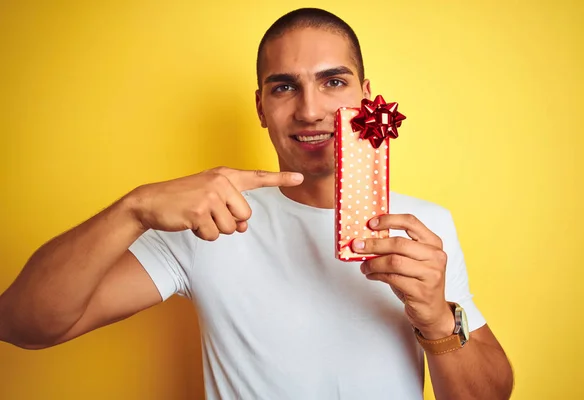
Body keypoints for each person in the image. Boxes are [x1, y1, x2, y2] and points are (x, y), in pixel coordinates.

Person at [0, 7, 514, 400]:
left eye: (333, 82)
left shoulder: (425, 226)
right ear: (261, 107)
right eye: (284, 87)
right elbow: (23, 325)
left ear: (366, 96)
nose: (311, 110)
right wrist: (132, 209)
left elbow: (488, 394)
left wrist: (439, 322)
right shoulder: (207, 219)